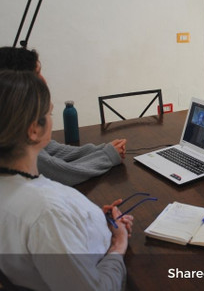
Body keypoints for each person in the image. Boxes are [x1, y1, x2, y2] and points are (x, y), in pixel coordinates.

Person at [0, 70, 133, 290]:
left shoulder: (16, 191)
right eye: (50, 113)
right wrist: (118, 244)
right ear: (34, 130)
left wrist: (86, 222)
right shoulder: (47, 214)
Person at [0, 46, 126, 186]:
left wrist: (101, 150)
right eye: (37, 73)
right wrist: (107, 155)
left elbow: (51, 151)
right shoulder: (19, 139)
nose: (44, 80)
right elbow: (60, 172)